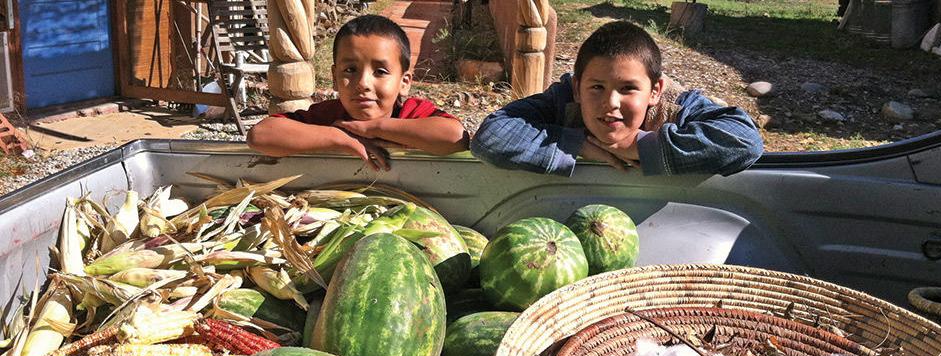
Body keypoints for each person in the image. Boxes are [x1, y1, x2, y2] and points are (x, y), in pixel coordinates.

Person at [470, 21, 764, 177]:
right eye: (597, 87)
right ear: (577, 88)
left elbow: (744, 141)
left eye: (627, 88)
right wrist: (576, 145)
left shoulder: (674, 107)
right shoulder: (564, 101)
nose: (611, 102)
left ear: (655, 91)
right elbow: (491, 137)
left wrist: (640, 147)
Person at [248, 15, 469, 170]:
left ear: (404, 82)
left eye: (380, 72)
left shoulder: (411, 113)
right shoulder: (328, 116)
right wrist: (340, 137)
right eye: (350, 70)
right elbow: (261, 135)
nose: (363, 83)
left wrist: (374, 128)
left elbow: (455, 138)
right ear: (334, 78)